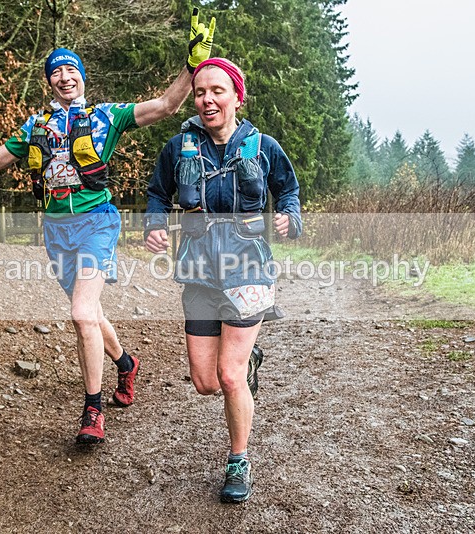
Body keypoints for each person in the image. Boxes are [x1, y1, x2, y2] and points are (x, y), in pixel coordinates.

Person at [0, 9, 216, 445]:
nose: (64, 76)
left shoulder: (106, 116)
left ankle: (93, 410)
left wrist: (193, 66)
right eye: (55, 71)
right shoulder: (35, 127)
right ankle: (126, 364)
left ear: (82, 77)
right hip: (56, 232)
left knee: (80, 314)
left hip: (97, 223)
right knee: (91, 314)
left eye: (70, 69)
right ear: (50, 82)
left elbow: (166, 105)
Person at [143, 58, 302, 503]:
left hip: (248, 266)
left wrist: (290, 217)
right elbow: (157, 192)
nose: (207, 99)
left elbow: (287, 190)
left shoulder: (264, 146)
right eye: (200, 92)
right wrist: (153, 224)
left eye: (217, 90)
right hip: (198, 272)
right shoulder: (178, 148)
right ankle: (247, 366)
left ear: (237, 96)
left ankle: (238, 461)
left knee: (228, 376)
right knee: (205, 381)